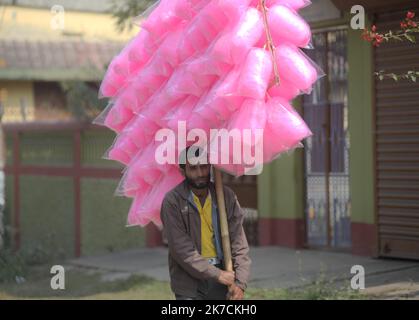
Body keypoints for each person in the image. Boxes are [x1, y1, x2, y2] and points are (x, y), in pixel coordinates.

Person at [160, 146, 251, 300]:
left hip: (223, 278)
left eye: (203, 166)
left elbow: (239, 243)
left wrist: (240, 284)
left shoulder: (226, 197)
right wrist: (217, 274)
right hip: (188, 282)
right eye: (193, 168)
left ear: (210, 166)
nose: (200, 173)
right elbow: (181, 249)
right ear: (183, 171)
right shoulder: (172, 201)